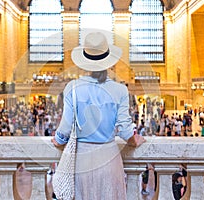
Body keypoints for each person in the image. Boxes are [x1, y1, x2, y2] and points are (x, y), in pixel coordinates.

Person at [51, 32, 146, 200]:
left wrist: (58, 140)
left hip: (82, 160)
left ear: (85, 62)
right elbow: (125, 130)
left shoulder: (72, 87)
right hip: (109, 158)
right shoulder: (120, 90)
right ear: (108, 61)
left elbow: (64, 129)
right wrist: (135, 140)